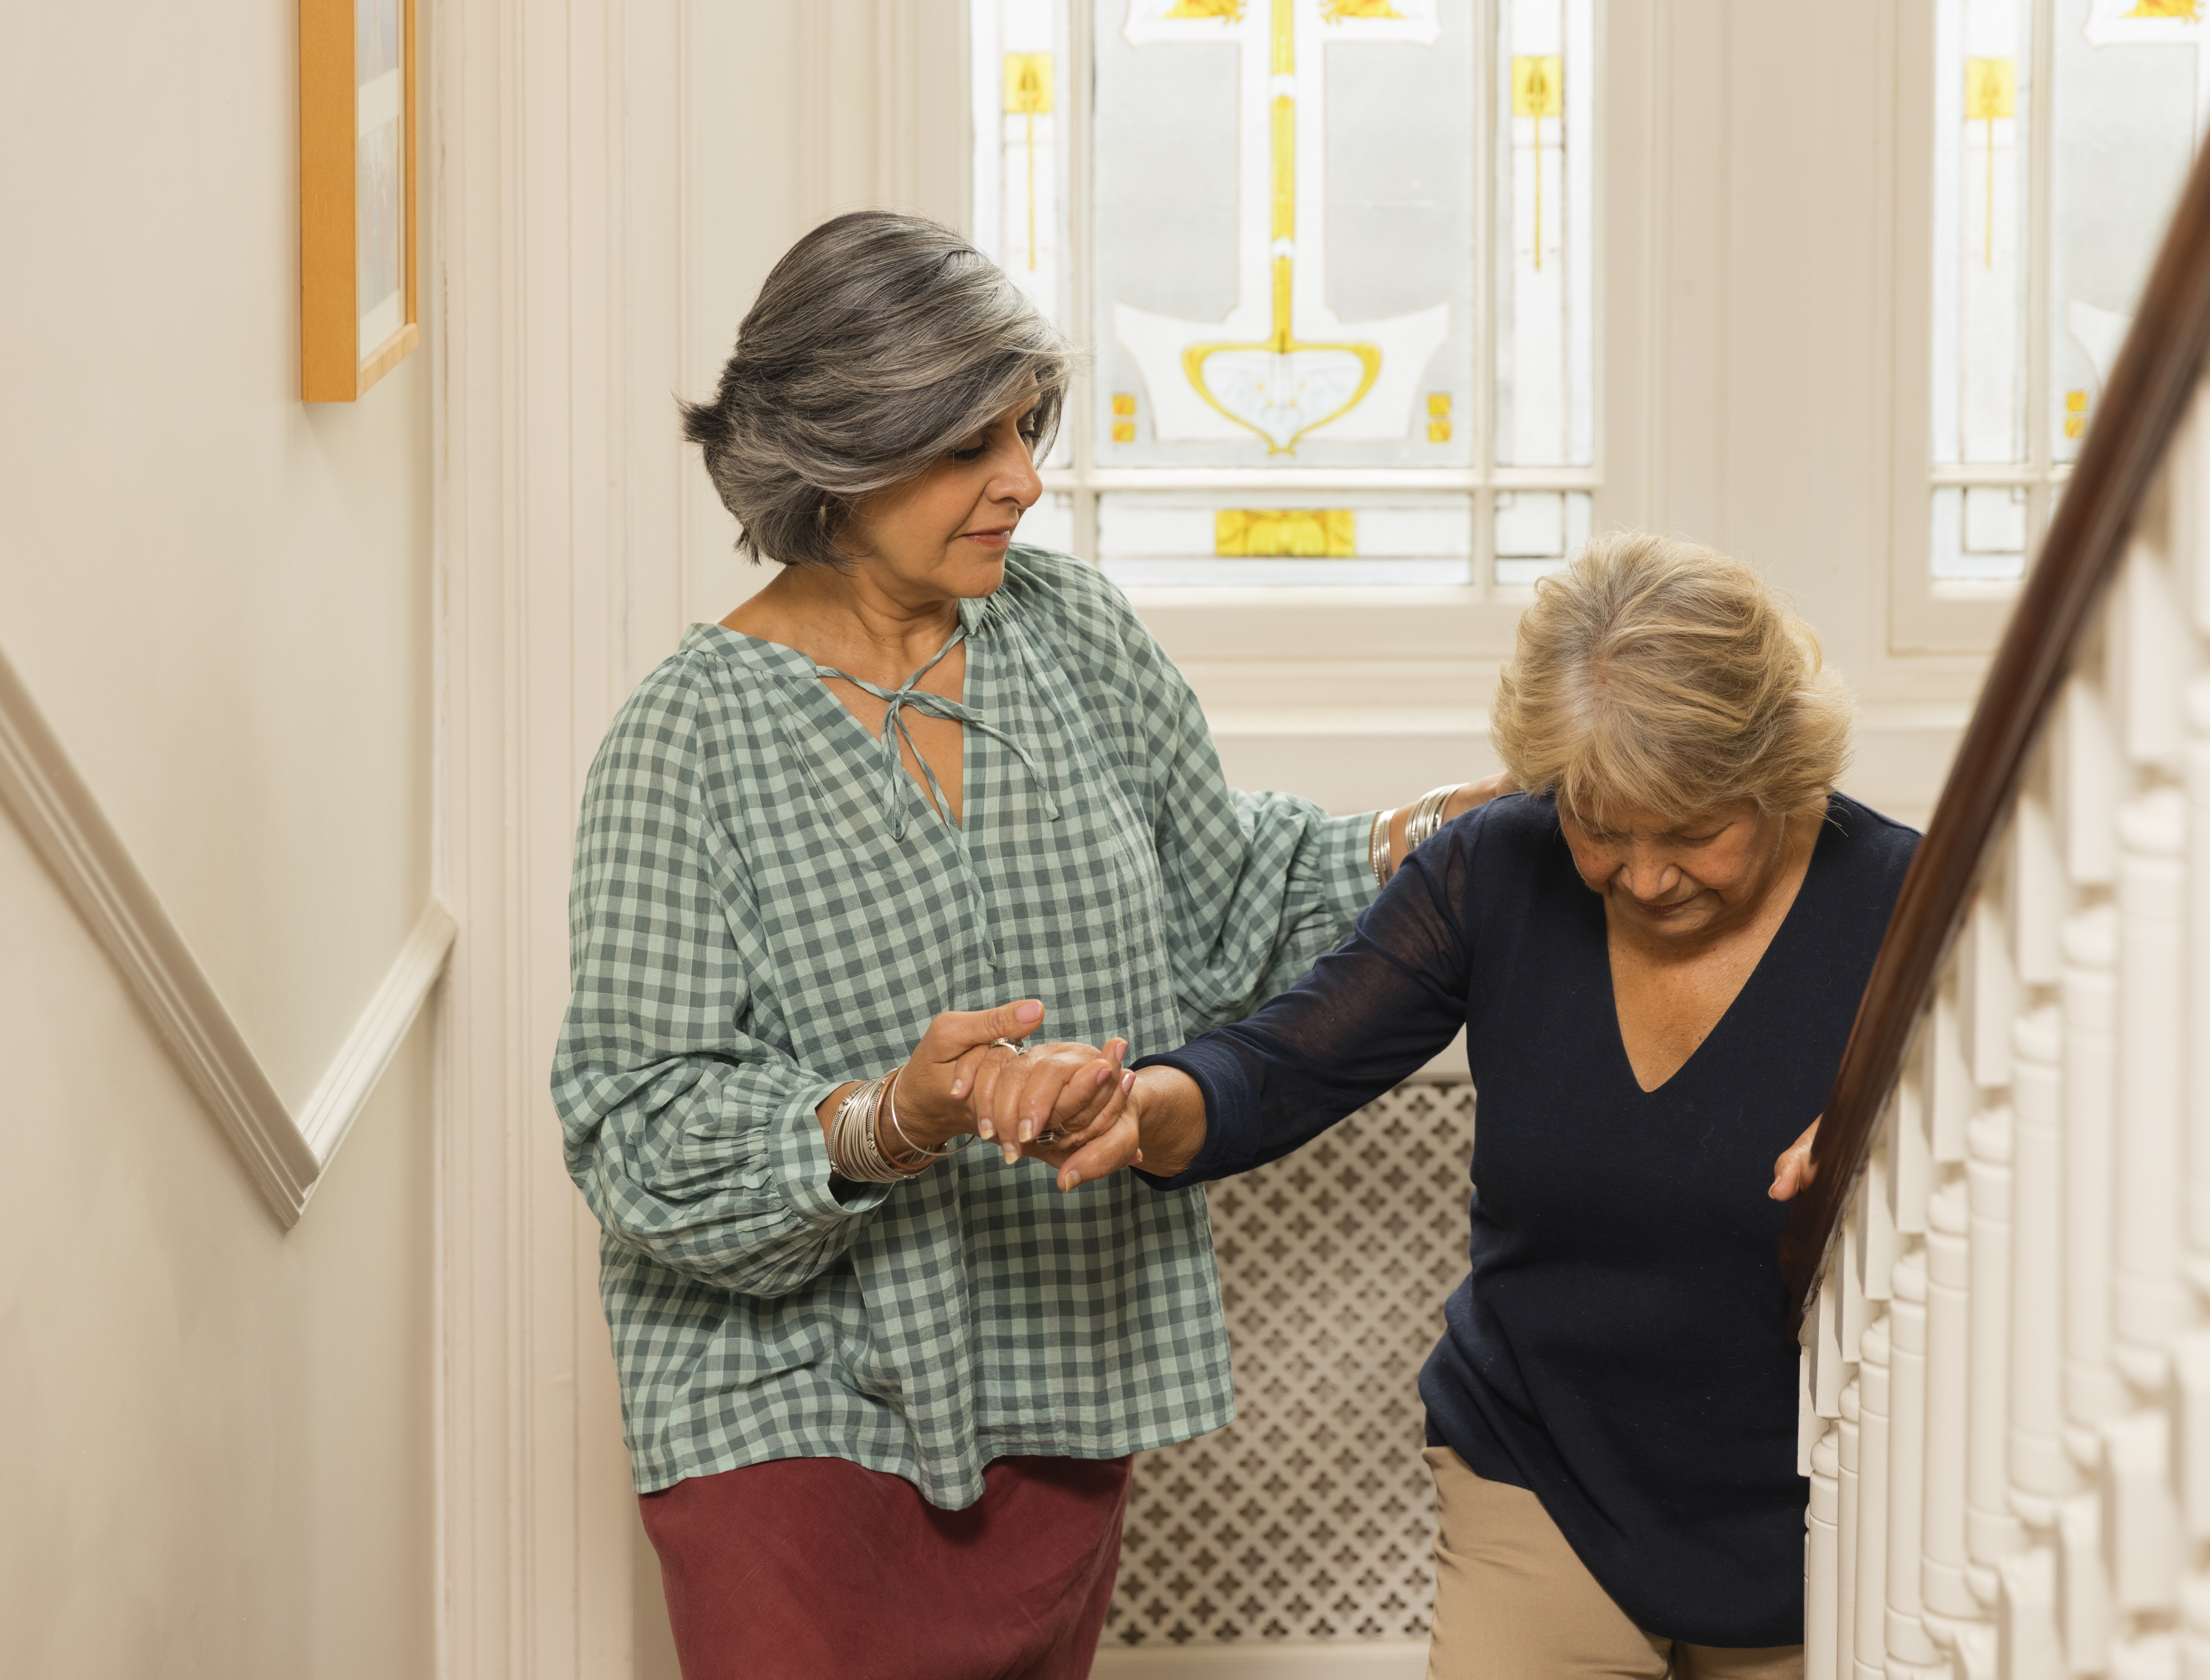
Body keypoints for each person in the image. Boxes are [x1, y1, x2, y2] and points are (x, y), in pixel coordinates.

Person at [549, 209, 1504, 1680]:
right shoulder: (686, 740)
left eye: (1025, 426)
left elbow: (1231, 897)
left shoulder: (1071, 634)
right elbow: (636, 1122)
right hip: (786, 1404)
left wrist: (1418, 835)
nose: (1024, 479)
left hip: (1059, 1365)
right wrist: (889, 1117)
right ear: (843, 452)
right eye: (968, 444)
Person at [1058, 534, 1916, 1680]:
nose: (1646, 877)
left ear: (1783, 777)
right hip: (1543, 1467)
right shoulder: (1497, 867)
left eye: (1696, 832)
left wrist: (1897, 1135)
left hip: (1822, 1485)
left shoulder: (1905, 911)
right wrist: (1140, 1104)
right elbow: (1281, 1067)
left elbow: (2026, 1150)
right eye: (1601, 827)